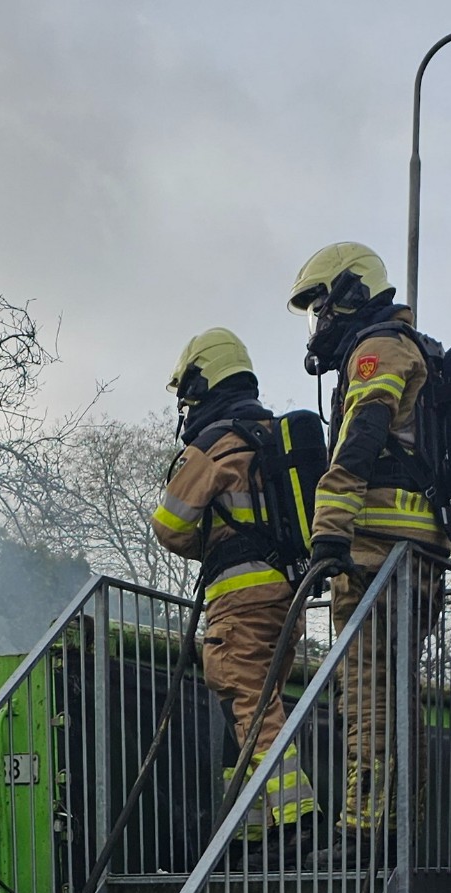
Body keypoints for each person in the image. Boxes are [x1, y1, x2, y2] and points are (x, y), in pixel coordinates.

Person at [287, 242, 451, 866]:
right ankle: (398, 830)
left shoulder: (376, 350)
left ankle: (363, 832)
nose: (320, 320)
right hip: (417, 556)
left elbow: (360, 439)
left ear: (352, 292)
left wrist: (329, 529)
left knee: (367, 691)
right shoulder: (413, 349)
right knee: (397, 695)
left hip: (377, 555)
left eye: (323, 305)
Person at [151, 327, 317, 862]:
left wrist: (212, 544)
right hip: (287, 597)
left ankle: (296, 819)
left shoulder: (214, 444)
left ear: (202, 381)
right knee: (253, 709)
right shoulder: (270, 435)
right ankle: (251, 831)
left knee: (248, 704)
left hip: (239, 601)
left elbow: (169, 525)